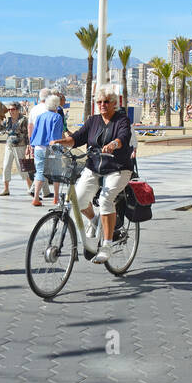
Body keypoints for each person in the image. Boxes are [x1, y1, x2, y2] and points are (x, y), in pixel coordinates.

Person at [53, 86, 133, 264]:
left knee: (105, 200)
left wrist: (114, 144)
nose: (102, 105)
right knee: (79, 199)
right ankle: (95, 220)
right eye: (99, 102)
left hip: (118, 167)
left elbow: (123, 137)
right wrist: (59, 142)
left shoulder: (122, 120)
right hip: (94, 165)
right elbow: (76, 138)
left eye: (106, 102)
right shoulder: (93, 121)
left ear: (114, 103)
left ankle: (107, 245)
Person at [29, 91, 66, 207]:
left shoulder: (40, 117)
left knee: (39, 172)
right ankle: (55, 198)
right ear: (56, 105)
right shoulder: (57, 117)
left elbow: (34, 132)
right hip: (51, 147)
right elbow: (55, 136)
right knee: (56, 172)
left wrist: (32, 145)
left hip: (39, 147)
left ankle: (36, 198)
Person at [0, 102, 31, 197]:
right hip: (9, 145)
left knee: (22, 167)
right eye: (9, 110)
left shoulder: (24, 120)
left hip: (20, 145)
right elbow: (0, 130)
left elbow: (29, 133)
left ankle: (30, 187)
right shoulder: (7, 120)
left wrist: (29, 146)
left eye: (12, 109)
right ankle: (6, 189)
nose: (10, 111)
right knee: (6, 166)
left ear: (17, 110)